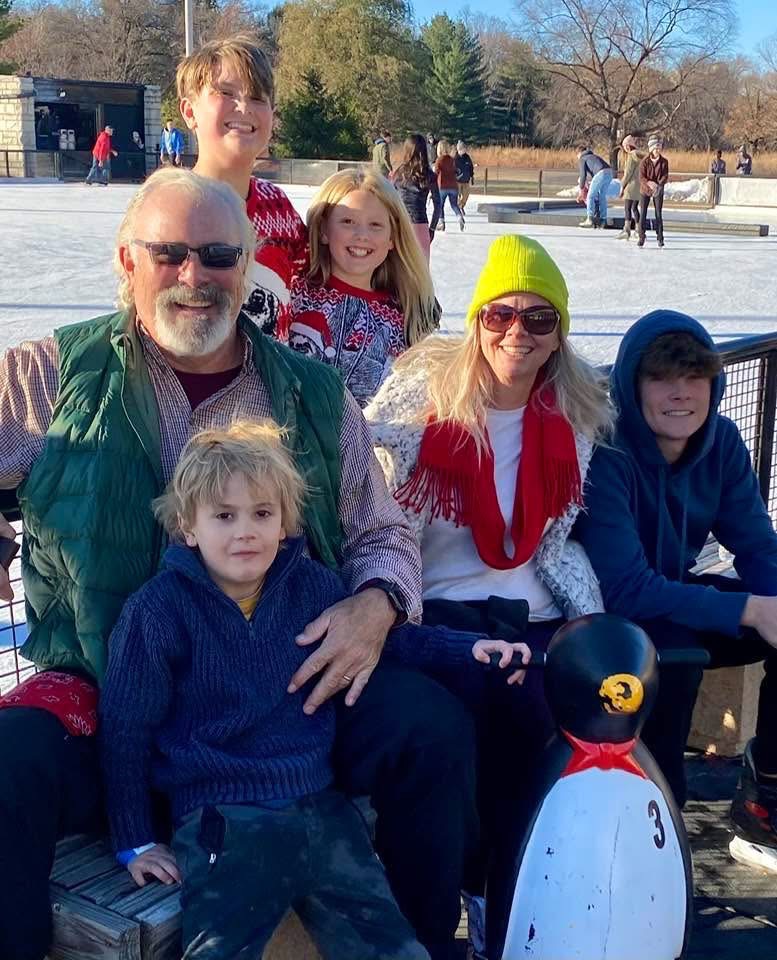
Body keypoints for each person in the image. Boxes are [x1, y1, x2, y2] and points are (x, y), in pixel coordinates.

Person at [0, 169, 478, 960]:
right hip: (107, 695)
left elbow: (381, 530)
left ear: (247, 263)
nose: (194, 275)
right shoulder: (51, 375)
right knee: (9, 762)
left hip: (280, 697)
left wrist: (374, 607)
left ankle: (420, 941)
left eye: (218, 255)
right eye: (169, 253)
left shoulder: (313, 394)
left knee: (428, 729)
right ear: (126, 260)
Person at [101, 420, 527, 959]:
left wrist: (469, 649)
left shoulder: (311, 587)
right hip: (226, 822)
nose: (245, 531)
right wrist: (135, 839)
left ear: (284, 522)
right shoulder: (158, 611)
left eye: (262, 513)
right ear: (188, 527)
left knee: (391, 946)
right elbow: (126, 727)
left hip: (321, 811)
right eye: (224, 516)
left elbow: (394, 642)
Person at [366, 234, 613, 954]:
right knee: (471, 721)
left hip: (533, 611)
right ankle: (457, 903)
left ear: (558, 333)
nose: (517, 333)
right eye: (500, 314)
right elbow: (370, 517)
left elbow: (561, 540)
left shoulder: (573, 414)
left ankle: (515, 901)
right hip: (436, 612)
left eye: (539, 318)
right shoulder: (415, 408)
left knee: (564, 716)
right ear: (476, 322)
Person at [575, 310, 777, 872]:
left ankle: (764, 797)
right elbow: (626, 588)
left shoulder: (721, 443)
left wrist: (773, 604)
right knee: (675, 656)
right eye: (661, 377)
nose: (681, 393)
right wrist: (750, 608)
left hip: (671, 594)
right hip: (603, 617)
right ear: (632, 383)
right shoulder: (606, 452)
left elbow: (757, 545)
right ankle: (657, 822)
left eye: (694, 377)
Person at [177, 35, 308, 337]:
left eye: (258, 98)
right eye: (226, 92)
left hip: (271, 366)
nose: (244, 107)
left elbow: (314, 288)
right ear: (190, 112)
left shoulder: (279, 208)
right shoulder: (169, 208)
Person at [283, 169, 438, 406]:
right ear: (324, 230)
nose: (361, 235)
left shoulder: (405, 317)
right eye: (348, 222)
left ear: (392, 238)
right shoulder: (292, 295)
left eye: (375, 225)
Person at [392, 133, 441, 263]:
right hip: (420, 225)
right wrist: (432, 228)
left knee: (399, 270)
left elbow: (390, 201)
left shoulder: (398, 174)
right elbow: (438, 205)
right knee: (421, 271)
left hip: (401, 226)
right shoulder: (429, 175)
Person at [638, 135, 669, 248]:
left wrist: (658, 185)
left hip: (658, 190)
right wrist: (649, 184)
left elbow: (665, 176)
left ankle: (660, 238)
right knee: (643, 213)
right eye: (655, 148)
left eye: (659, 147)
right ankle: (641, 236)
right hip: (645, 190)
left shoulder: (664, 162)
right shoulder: (644, 161)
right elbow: (641, 177)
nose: (657, 150)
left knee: (658, 213)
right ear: (651, 148)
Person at [576, 145, 612, 227]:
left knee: (590, 196)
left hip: (601, 172)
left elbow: (583, 175)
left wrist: (581, 189)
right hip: (609, 172)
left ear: (579, 153)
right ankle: (603, 220)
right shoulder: (593, 156)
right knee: (602, 196)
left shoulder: (582, 158)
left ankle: (590, 219)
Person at [434, 140, 465, 232]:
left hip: (443, 186)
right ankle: (459, 217)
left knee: (440, 205)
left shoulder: (439, 160)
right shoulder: (452, 160)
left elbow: (436, 172)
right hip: (453, 186)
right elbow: (455, 170)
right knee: (454, 204)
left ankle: (441, 223)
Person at [617, 134, 642, 240]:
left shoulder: (631, 156)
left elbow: (628, 173)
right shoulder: (640, 156)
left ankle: (626, 230)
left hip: (631, 186)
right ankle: (638, 230)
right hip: (639, 185)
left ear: (627, 146)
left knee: (627, 208)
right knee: (635, 208)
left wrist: (622, 186)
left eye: (625, 146)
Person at [454, 140, 475, 214]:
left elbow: (471, 167)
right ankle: (458, 207)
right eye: (463, 148)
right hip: (458, 181)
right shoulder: (455, 158)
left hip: (466, 180)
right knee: (457, 195)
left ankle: (461, 206)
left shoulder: (467, 157)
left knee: (466, 195)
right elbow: (452, 169)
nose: (465, 150)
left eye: (465, 148)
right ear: (459, 149)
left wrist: (472, 176)